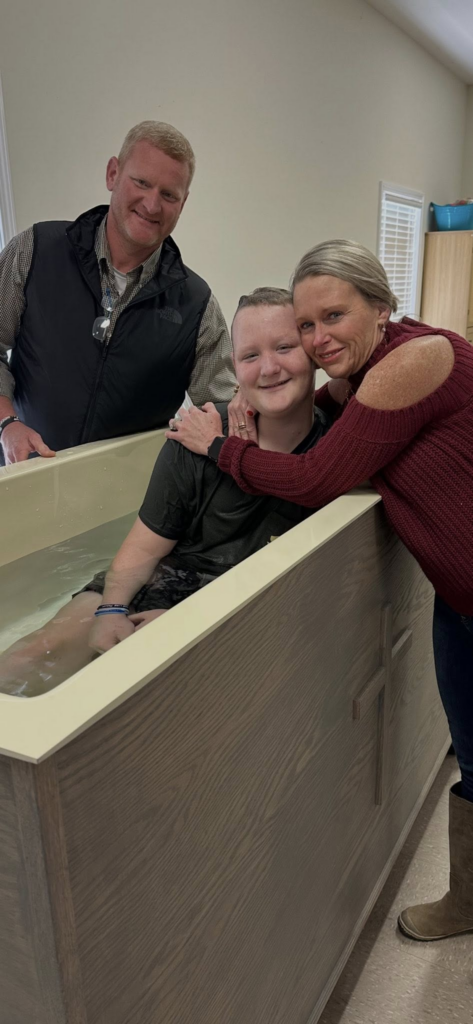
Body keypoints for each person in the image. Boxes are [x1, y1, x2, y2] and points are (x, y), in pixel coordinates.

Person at [166, 238, 473, 944]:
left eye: (333, 316)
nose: (316, 339)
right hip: (458, 600)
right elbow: (320, 397)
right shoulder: (368, 372)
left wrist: (218, 447)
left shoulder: (414, 360)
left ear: (381, 306)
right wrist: (256, 396)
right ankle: (468, 901)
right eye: (304, 326)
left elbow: (316, 479)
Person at [0, 287, 331, 696]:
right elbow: (143, 548)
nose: (269, 368)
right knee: (30, 658)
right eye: (250, 356)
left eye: (284, 347)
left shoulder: (336, 453)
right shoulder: (196, 438)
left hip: (237, 601)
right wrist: (111, 609)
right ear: (235, 367)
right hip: (165, 573)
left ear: (312, 352)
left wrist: (187, 619)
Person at [0, 120, 236, 465]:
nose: (152, 205)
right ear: (113, 174)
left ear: (183, 204)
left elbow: (221, 412)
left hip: (131, 492)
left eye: (169, 195)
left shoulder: (198, 306)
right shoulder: (33, 251)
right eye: (141, 183)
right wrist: (7, 423)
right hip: (27, 474)